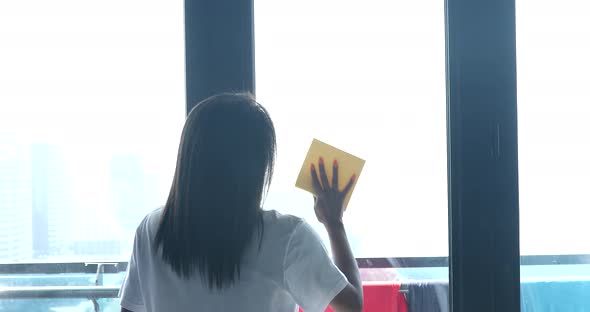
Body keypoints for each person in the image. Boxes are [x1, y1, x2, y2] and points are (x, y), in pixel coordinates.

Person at [119, 93, 363, 312]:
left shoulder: (152, 230)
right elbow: (351, 307)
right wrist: (334, 223)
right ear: (257, 168)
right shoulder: (286, 238)